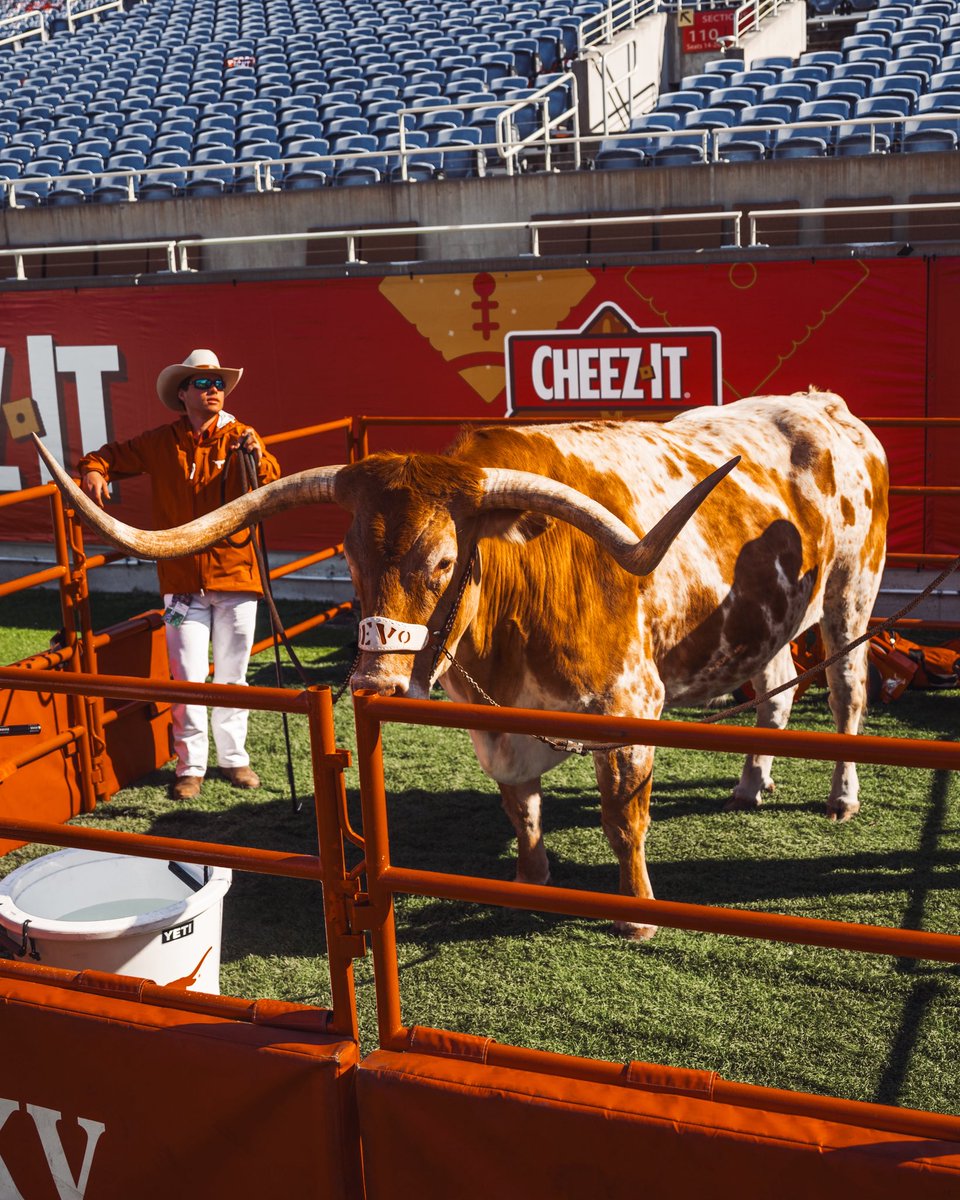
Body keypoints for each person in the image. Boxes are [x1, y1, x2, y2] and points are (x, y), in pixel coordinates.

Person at [78, 349, 281, 801]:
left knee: (233, 676)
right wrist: (93, 470)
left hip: (236, 576)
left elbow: (270, 480)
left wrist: (257, 455)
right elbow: (107, 455)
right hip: (180, 583)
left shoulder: (243, 435)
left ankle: (235, 760)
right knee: (185, 677)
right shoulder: (161, 440)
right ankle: (190, 766)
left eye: (218, 384)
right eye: (203, 383)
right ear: (182, 393)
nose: (213, 390)